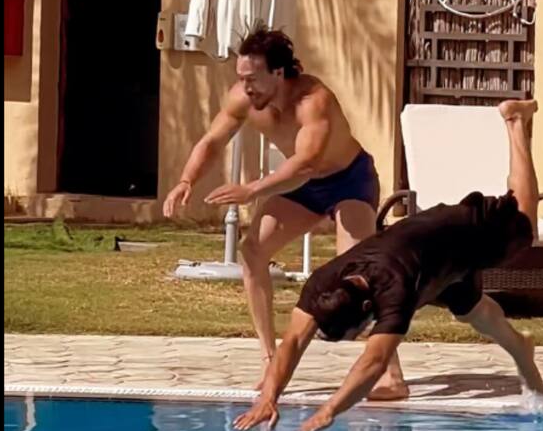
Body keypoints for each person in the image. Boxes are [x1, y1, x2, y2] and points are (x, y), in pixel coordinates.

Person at [232, 99, 543, 431]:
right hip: (433, 262)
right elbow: (293, 340)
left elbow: (373, 363)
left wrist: (329, 411)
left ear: (368, 309)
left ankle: (516, 123)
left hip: (464, 231)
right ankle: (521, 348)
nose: (363, 335)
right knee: (475, 314)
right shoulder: (322, 283)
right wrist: (269, 397)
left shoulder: (394, 292)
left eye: (359, 331)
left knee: (524, 219)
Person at [163, 23, 407, 392]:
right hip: (303, 186)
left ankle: (391, 376)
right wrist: (186, 181)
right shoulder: (243, 99)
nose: (246, 87)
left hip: (348, 181)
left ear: (278, 72)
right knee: (252, 251)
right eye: (241, 78)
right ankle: (270, 360)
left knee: (359, 274)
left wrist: (251, 190)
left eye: (253, 78)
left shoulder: (313, 100)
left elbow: (306, 164)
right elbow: (212, 140)